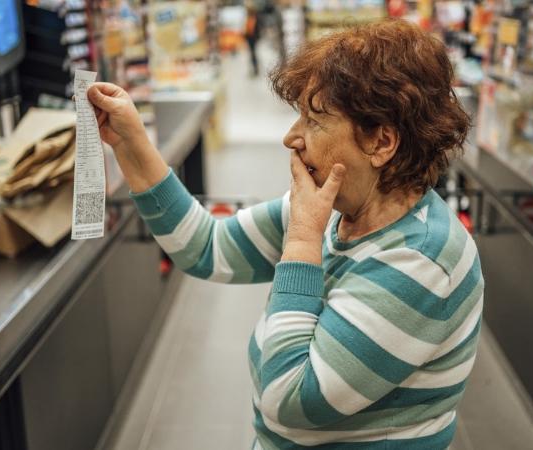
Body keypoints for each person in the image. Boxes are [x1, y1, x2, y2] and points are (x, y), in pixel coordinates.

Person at [87, 19, 482, 449]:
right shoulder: (334, 210)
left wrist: (300, 244)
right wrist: (130, 142)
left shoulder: (420, 262)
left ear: (381, 142)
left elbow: (289, 399)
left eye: (314, 121)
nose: (291, 137)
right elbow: (207, 248)